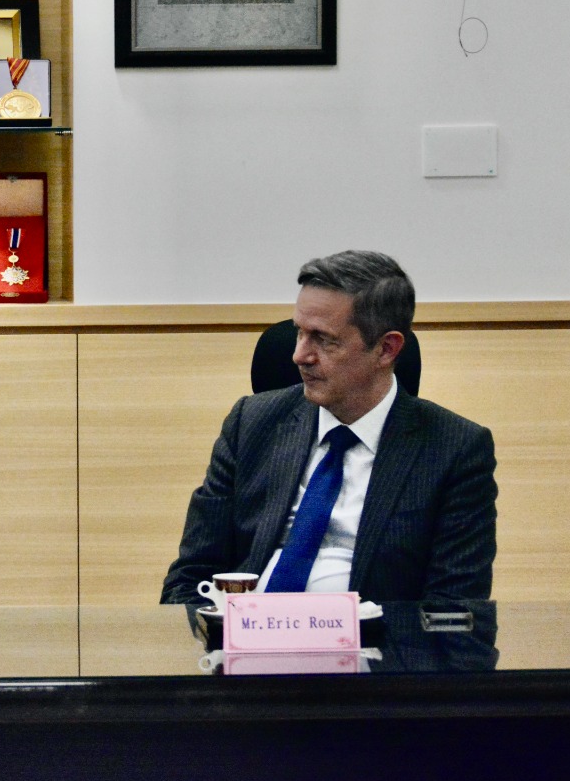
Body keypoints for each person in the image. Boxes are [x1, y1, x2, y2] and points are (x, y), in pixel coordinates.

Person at [161, 251, 497, 604]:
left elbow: (453, 611)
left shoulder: (454, 449)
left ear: (386, 348)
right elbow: (189, 578)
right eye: (299, 333)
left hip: (374, 651)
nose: (299, 356)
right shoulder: (252, 423)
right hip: (243, 644)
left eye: (323, 339)